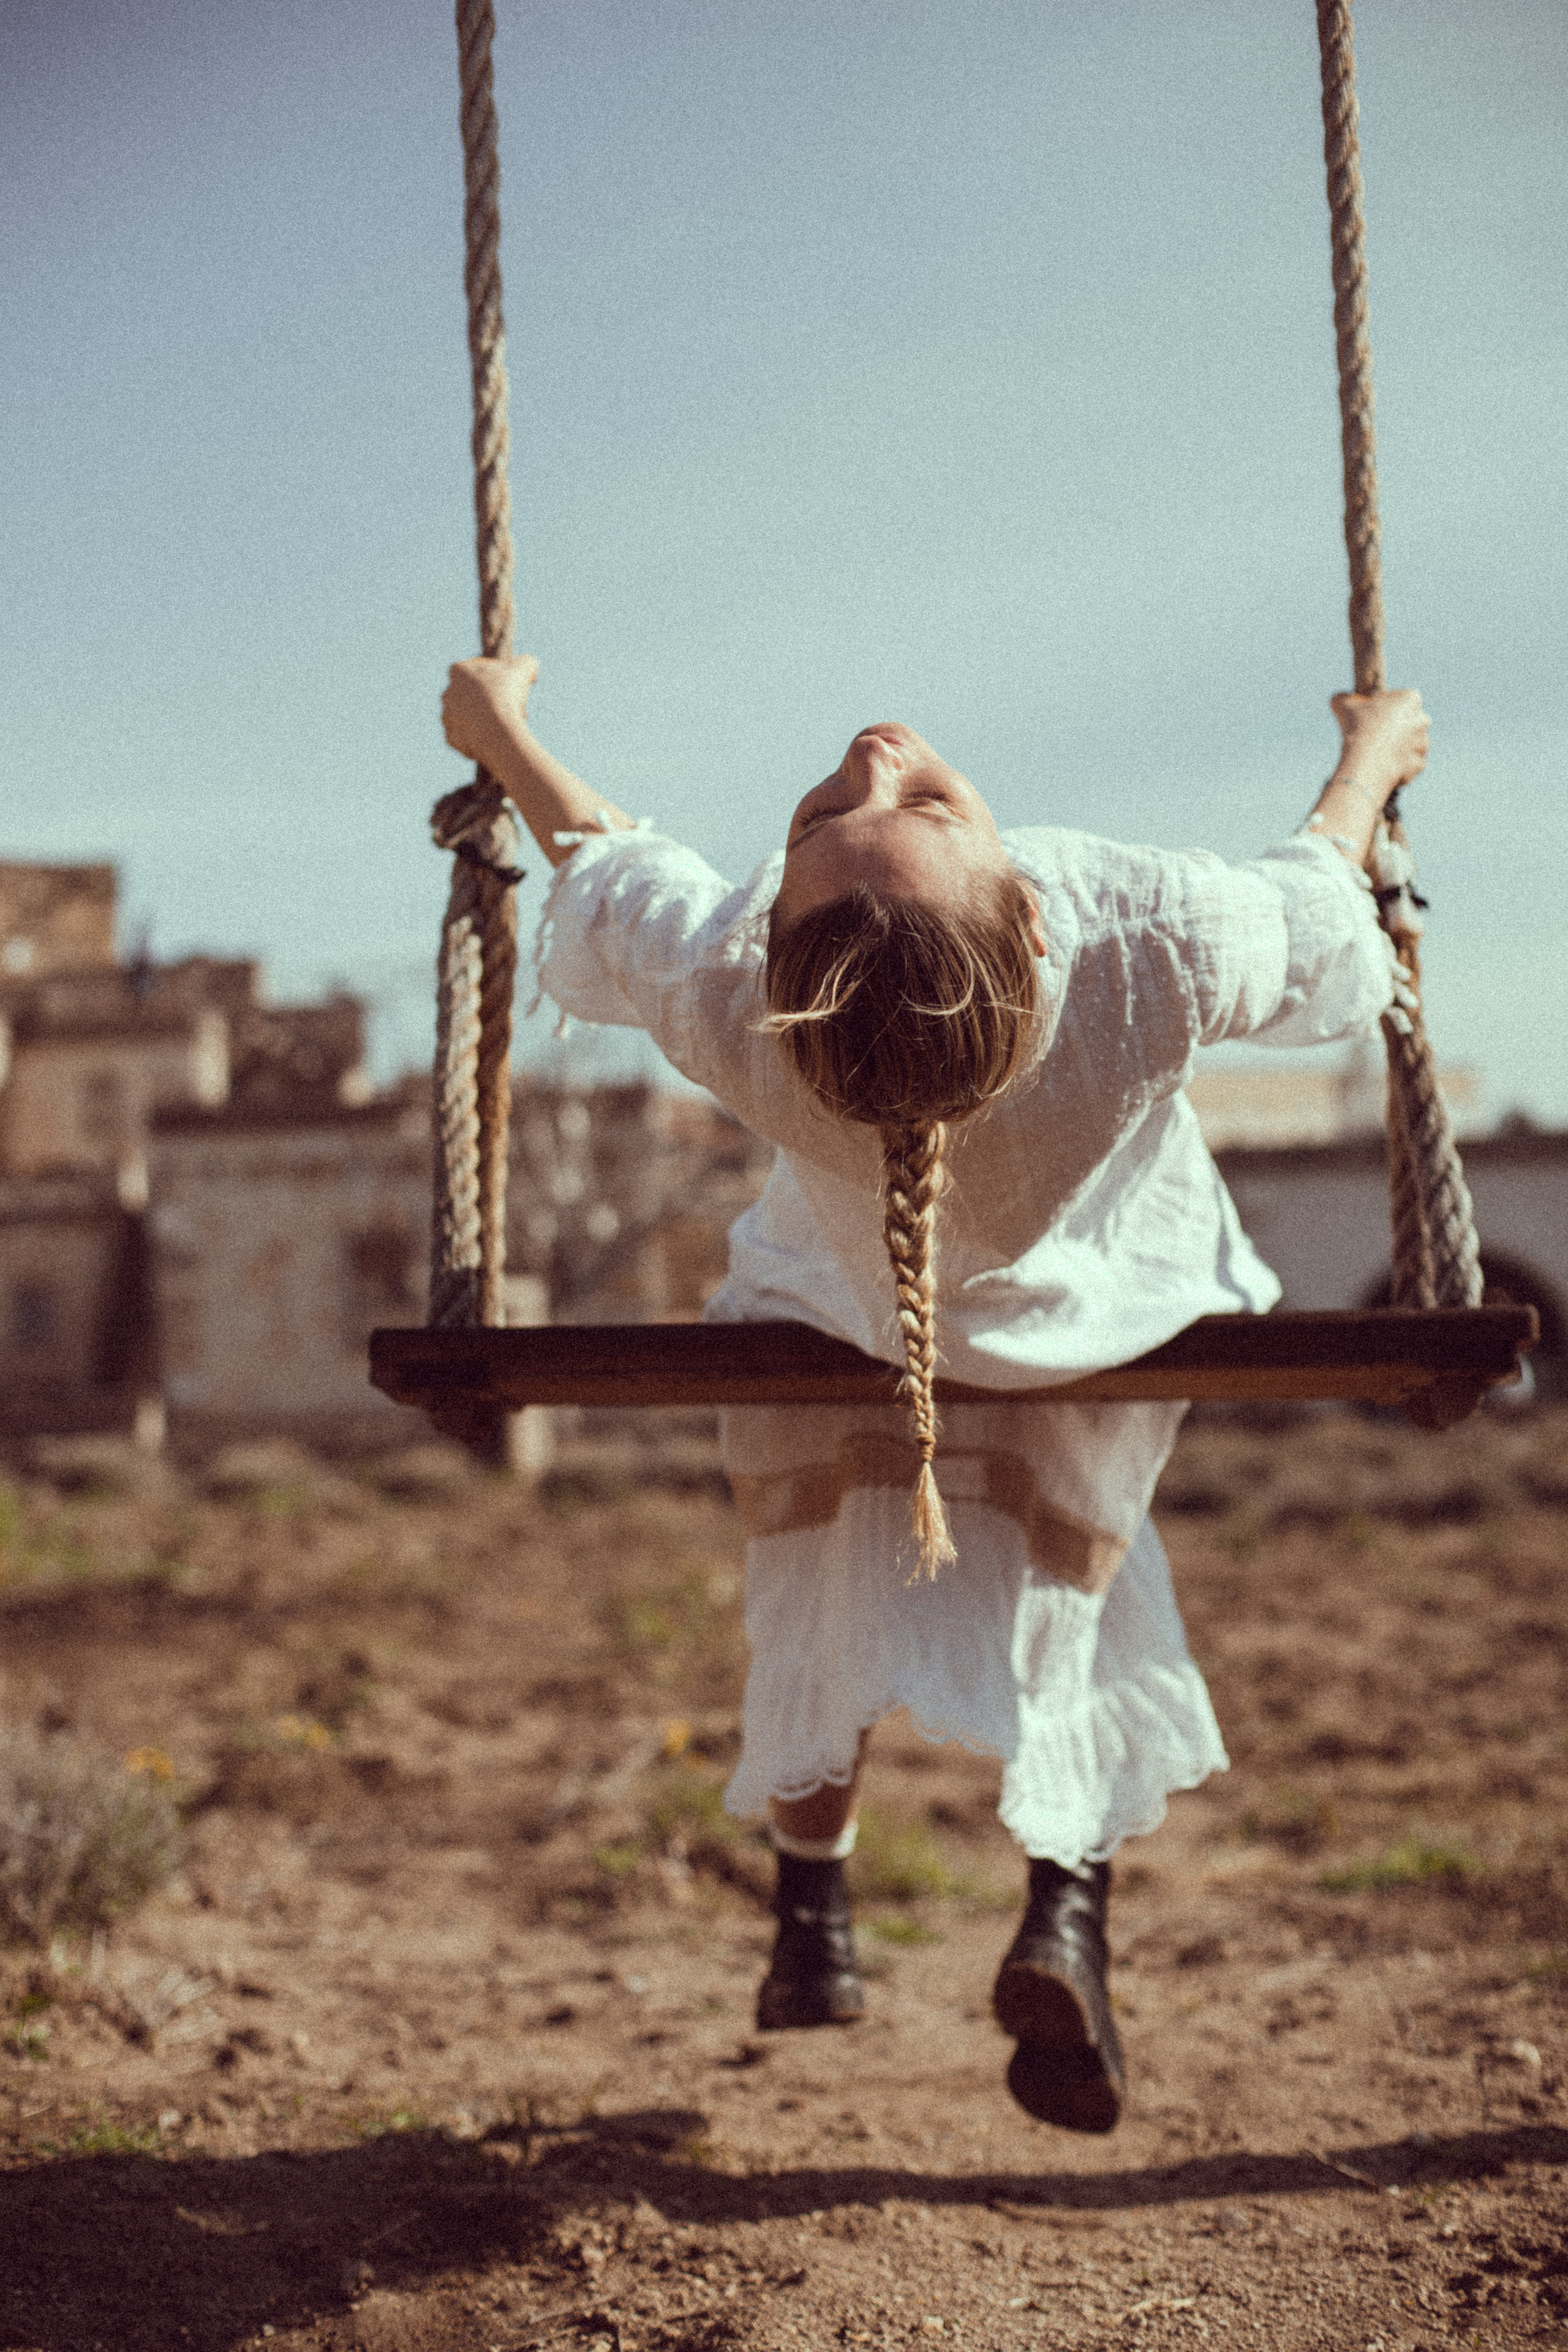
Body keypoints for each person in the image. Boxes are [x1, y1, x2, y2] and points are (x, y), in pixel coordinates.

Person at [440, 656, 1427, 2132]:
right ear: (1027, 915)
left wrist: (500, 733)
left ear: (773, 948)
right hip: (1096, 1323)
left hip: (834, 1319)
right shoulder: (1142, 932)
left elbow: (601, 867)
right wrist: (1374, 758)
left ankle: (812, 1919)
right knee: (1074, 1593)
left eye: (869, 796)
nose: (871, 754)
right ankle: (1066, 1919)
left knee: (820, 1587)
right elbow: (1320, 910)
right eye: (880, 795)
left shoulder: (727, 983)